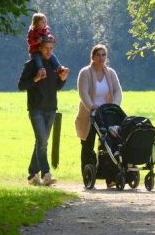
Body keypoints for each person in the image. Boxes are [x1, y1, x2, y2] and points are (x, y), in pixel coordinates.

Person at [18, 37, 69, 186]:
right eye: (46, 48)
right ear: (39, 48)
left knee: (41, 142)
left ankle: (32, 174)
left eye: (51, 48)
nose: (49, 51)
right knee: (42, 142)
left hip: (51, 108)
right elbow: (21, 85)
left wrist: (63, 79)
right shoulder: (31, 65)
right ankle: (46, 174)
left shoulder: (54, 66)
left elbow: (56, 87)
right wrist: (36, 78)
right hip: (36, 109)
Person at [75, 44, 122, 186]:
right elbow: (83, 93)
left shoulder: (111, 73)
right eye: (98, 55)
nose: (101, 58)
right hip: (90, 114)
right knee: (87, 145)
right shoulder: (85, 72)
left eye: (104, 55)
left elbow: (118, 92)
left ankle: (111, 176)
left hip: (106, 115)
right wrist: (91, 106)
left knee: (109, 144)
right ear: (93, 57)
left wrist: (115, 106)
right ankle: (88, 175)